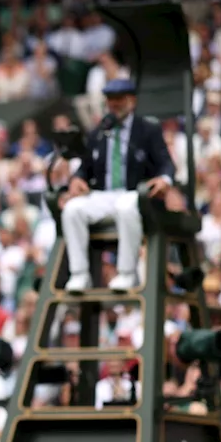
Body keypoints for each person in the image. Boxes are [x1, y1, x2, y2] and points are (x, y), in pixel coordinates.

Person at [61, 79, 175, 293]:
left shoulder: (147, 130)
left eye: (120, 99)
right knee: (72, 210)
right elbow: (85, 167)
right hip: (104, 195)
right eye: (111, 100)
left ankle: (126, 273)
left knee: (125, 206)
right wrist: (77, 179)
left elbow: (166, 163)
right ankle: (79, 274)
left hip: (135, 194)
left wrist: (164, 180)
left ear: (132, 101)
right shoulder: (99, 131)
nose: (115, 104)